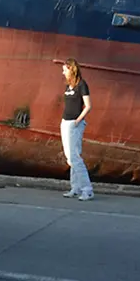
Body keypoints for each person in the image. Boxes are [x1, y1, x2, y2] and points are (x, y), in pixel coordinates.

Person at [60, 58, 94, 201]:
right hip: (65, 122)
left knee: (74, 158)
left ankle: (87, 189)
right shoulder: (69, 86)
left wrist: (77, 121)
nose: (63, 72)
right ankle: (75, 187)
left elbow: (88, 106)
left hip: (74, 124)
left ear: (71, 69)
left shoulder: (82, 85)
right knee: (70, 157)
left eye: (64, 69)